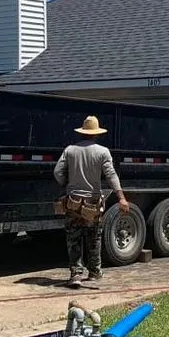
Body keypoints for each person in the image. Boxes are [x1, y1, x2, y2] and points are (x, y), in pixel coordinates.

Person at [54, 116, 130, 287]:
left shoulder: (70, 150)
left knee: (74, 238)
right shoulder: (102, 152)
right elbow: (111, 175)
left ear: (82, 132)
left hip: (73, 201)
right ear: (96, 134)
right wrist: (121, 197)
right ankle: (94, 272)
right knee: (94, 237)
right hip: (92, 202)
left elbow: (57, 172)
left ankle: (76, 274)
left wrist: (67, 184)